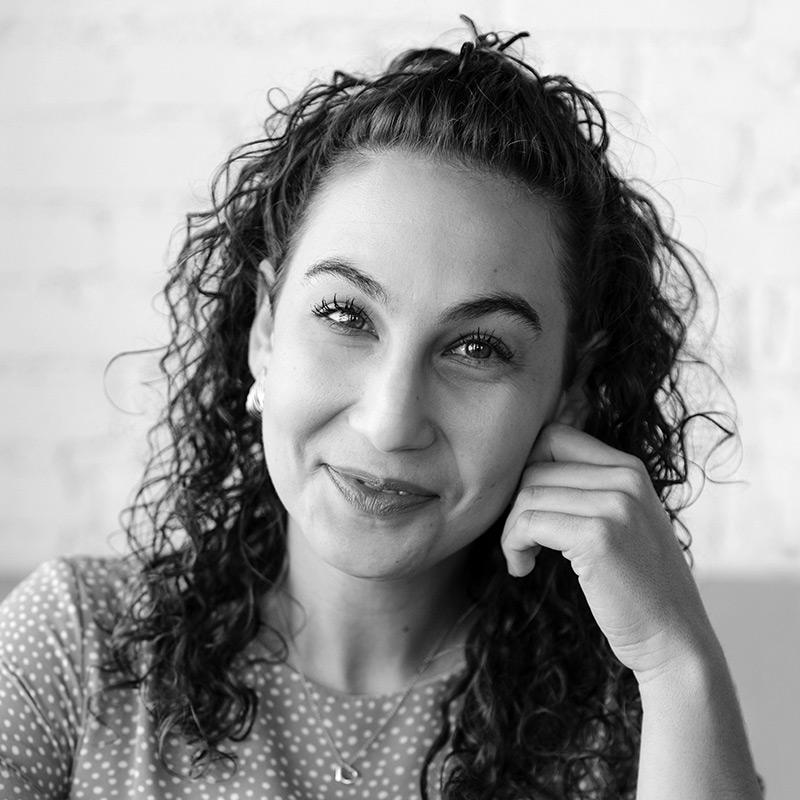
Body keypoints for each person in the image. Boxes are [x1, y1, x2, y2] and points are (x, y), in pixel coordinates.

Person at [0, 17, 763, 800]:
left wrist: (675, 661)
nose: (390, 421)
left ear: (567, 394)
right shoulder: (74, 646)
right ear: (265, 330)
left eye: (478, 348)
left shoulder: (628, 727)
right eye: (345, 315)